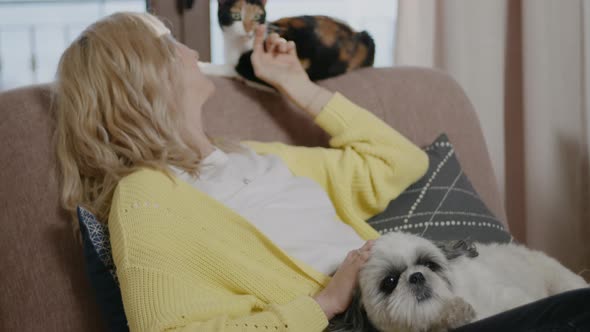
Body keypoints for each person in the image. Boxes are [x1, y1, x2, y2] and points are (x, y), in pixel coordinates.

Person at [54, 12, 589, 332]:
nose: (192, 50)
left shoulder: (253, 158)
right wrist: (323, 303)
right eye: (172, 46)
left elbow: (401, 163)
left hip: (413, 312)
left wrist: (300, 88)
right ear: (144, 80)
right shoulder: (147, 196)